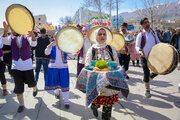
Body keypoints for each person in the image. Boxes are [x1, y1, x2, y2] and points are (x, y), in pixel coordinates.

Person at [2, 21, 38, 113]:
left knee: (32, 83)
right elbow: (4, 41)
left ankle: (35, 87)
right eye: (12, 29)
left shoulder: (27, 36)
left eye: (14, 29)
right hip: (16, 67)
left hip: (27, 66)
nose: (12, 30)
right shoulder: (11, 37)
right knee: (18, 87)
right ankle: (21, 104)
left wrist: (33, 35)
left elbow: (34, 44)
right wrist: (5, 31)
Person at [85, 28, 120, 120]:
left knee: (108, 106)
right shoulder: (92, 49)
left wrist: (113, 69)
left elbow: (117, 63)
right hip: (97, 82)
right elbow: (87, 64)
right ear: (96, 36)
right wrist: (96, 68)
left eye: (104, 34)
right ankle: (94, 107)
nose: (102, 36)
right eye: (99, 34)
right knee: (96, 102)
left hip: (109, 82)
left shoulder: (111, 48)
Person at [44, 33, 74, 109]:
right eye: (55, 36)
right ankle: (57, 93)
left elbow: (72, 55)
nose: (57, 38)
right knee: (55, 82)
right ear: (53, 37)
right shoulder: (51, 45)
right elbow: (46, 52)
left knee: (64, 83)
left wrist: (76, 53)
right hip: (53, 67)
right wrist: (49, 46)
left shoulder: (65, 46)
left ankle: (66, 101)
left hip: (63, 67)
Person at [135, 18, 161, 98]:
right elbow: (137, 46)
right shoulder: (141, 35)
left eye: (148, 22)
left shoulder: (153, 33)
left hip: (154, 57)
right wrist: (140, 52)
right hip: (144, 57)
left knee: (157, 71)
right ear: (142, 25)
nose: (147, 24)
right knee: (146, 72)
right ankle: (147, 89)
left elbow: (158, 42)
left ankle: (147, 79)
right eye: (145, 23)